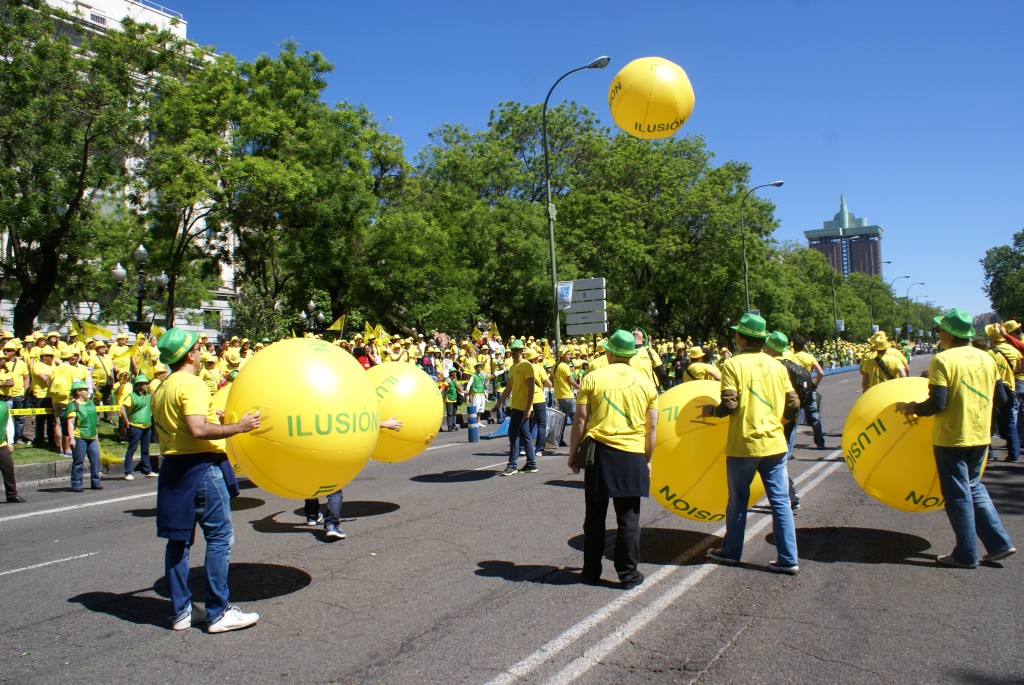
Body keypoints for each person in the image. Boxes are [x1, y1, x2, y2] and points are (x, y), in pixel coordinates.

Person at [151, 327, 261, 633]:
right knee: (220, 539)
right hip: (201, 466)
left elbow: (180, 426)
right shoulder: (193, 384)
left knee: (178, 542)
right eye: (198, 348)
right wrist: (239, 427)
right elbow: (198, 429)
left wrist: (216, 417)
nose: (202, 353)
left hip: (173, 468)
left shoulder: (160, 388)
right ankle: (218, 612)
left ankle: (181, 611)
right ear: (189, 355)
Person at [900, 309, 1016, 568]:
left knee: (958, 495)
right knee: (974, 487)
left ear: (949, 334)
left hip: (952, 437)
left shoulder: (942, 360)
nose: (937, 334)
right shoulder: (987, 358)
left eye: (940, 330)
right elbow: (1003, 399)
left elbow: (937, 403)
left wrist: (912, 408)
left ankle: (966, 554)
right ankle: (999, 543)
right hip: (980, 434)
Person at [701, 313, 801, 574]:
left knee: (738, 501)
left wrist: (710, 412)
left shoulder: (733, 365)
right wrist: (780, 422)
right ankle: (789, 559)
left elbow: (729, 405)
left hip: (743, 445)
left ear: (741, 338)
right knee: (780, 501)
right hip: (775, 444)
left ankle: (731, 553)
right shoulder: (777, 366)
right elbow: (793, 403)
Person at [568, 329, 658, 589]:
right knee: (629, 519)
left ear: (609, 352)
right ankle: (628, 575)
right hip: (632, 453)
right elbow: (651, 427)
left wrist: (573, 453)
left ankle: (590, 571)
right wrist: (647, 458)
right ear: (631, 355)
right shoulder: (646, 382)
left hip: (600, 451)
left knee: (594, 516)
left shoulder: (592, 377)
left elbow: (581, 419)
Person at [304, 417, 403, 538]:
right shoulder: (332, 407)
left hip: (309, 452)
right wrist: (386, 424)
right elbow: (356, 423)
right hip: (330, 453)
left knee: (312, 481)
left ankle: (312, 515)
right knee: (334, 490)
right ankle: (332, 525)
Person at [495, 340, 536, 475]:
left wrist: (528, 408)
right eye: (513, 350)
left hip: (523, 407)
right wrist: (498, 404)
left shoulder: (527, 366)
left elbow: (531, 389)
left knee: (513, 434)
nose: (514, 352)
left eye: (517, 350)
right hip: (515, 405)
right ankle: (531, 464)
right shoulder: (512, 368)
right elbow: (508, 388)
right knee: (525, 434)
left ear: (522, 351)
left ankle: (512, 465)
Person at [65, 379, 102, 492]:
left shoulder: (90, 403)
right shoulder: (73, 405)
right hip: (79, 436)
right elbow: (70, 423)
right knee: (78, 461)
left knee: (96, 460)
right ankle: (76, 483)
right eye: (85, 390)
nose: (87, 391)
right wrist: (71, 439)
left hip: (92, 436)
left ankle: (96, 482)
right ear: (78, 392)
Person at [791, 334, 826, 449]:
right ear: (804, 345)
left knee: (792, 417)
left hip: (793, 390)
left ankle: (790, 445)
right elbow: (820, 373)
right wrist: (814, 385)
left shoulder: (790, 356)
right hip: (807, 389)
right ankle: (820, 442)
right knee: (813, 416)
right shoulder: (809, 357)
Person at [120, 374, 156, 479]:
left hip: (147, 425)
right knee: (132, 448)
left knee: (146, 449)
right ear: (138, 385)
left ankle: (148, 470)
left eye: (146, 383)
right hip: (135, 425)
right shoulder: (131, 396)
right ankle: (127, 472)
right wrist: (127, 422)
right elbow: (122, 410)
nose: (146, 385)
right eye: (144, 383)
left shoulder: (148, 396)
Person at [0, 397, 25, 502]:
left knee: (8, 469)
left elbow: (8, 423)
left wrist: (10, 441)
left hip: (1, 444)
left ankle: (12, 495)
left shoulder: (3, 406)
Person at [441, 367, 461, 432]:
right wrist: (439, 391)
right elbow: (443, 386)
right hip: (449, 399)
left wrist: (463, 391)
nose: (455, 373)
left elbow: (458, 387)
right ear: (451, 373)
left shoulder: (455, 380)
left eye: (455, 372)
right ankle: (450, 427)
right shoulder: (448, 380)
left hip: (454, 398)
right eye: (454, 372)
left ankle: (454, 426)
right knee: (450, 414)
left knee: (454, 413)